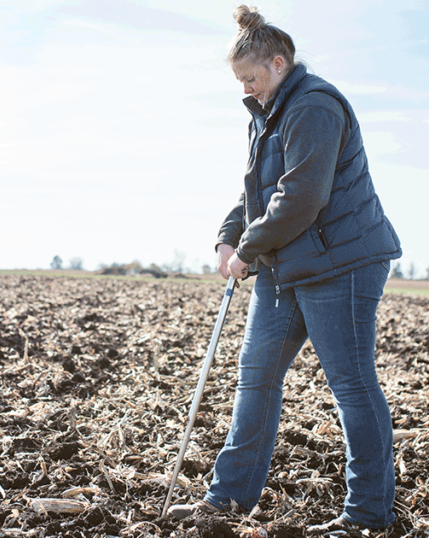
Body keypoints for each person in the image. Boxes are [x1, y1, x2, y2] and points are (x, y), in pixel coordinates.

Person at [166, 5, 402, 534]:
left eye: (251, 78)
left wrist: (248, 250)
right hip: (288, 263)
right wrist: (229, 235)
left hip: (340, 262)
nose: (246, 90)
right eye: (239, 82)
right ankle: (226, 501)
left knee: (351, 385)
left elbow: (302, 196)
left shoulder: (314, 105)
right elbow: (259, 192)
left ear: (278, 63)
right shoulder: (269, 114)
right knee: (256, 379)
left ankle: (368, 516)